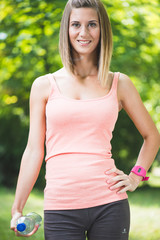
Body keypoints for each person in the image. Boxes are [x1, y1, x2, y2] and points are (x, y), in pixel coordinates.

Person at [10, 0, 160, 239]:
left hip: (110, 204)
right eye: (76, 24)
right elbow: (33, 151)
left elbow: (152, 136)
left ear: (103, 30)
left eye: (92, 24)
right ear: (66, 30)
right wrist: (17, 208)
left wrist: (135, 177)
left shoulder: (119, 83)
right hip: (60, 205)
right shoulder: (43, 86)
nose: (83, 33)